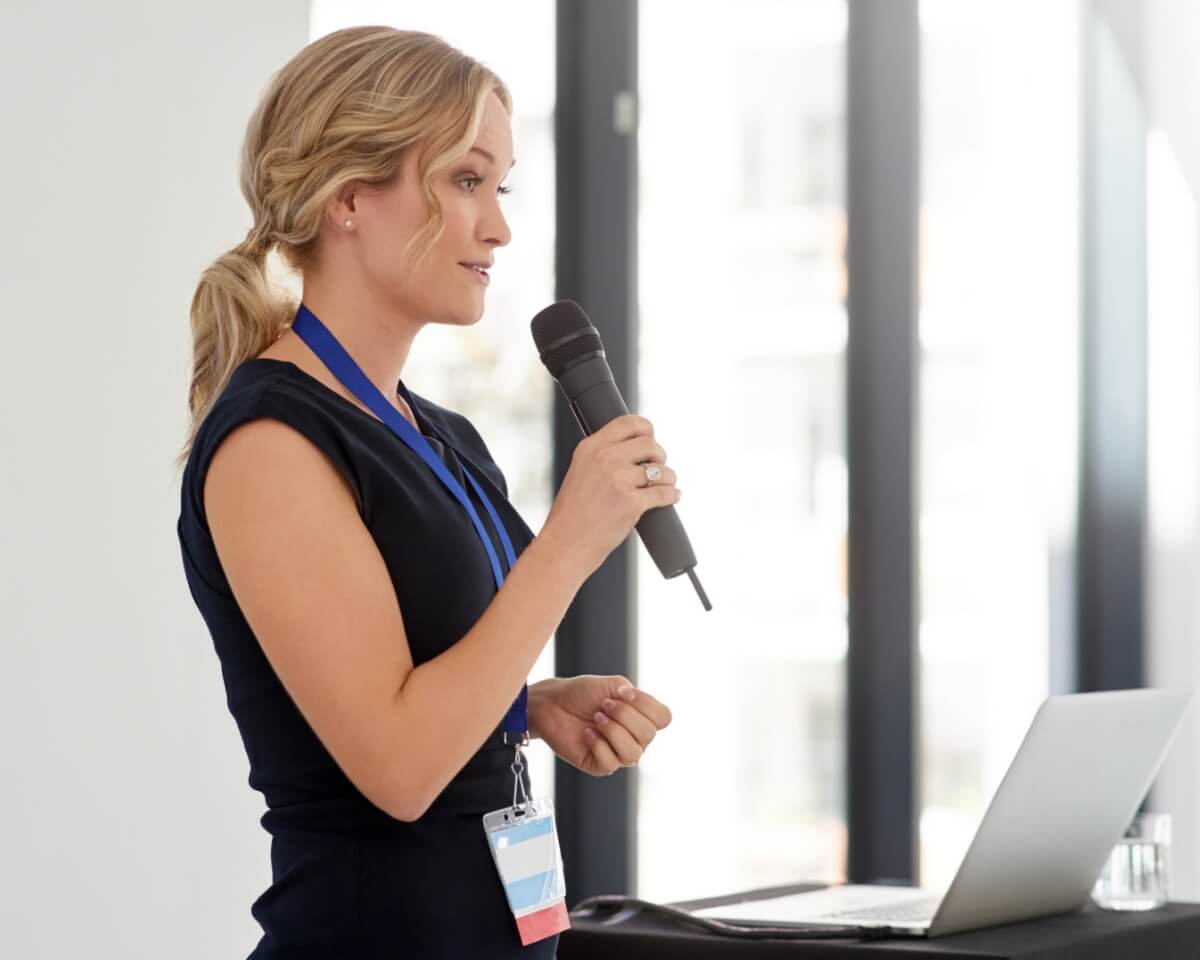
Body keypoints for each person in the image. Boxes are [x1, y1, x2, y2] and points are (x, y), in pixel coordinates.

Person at [175, 25, 680, 959]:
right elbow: (399, 769)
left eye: (502, 186)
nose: (499, 225)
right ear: (349, 197)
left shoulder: (440, 433)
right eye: (464, 181)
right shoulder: (270, 443)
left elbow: (408, 681)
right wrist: (572, 537)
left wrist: (522, 709)